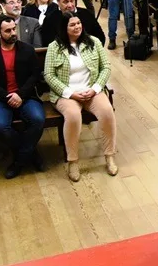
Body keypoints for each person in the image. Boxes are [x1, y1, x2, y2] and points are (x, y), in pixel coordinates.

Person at [44, 11, 118, 181]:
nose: (77, 27)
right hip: (67, 94)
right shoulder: (54, 47)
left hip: (91, 90)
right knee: (73, 116)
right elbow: (49, 75)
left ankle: (109, 156)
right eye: (72, 25)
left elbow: (106, 67)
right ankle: (73, 161)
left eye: (78, 23)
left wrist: (95, 88)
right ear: (64, 28)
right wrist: (71, 93)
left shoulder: (93, 42)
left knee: (107, 111)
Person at [0, 16, 46, 179]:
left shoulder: (27, 50)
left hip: (25, 96)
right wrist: (7, 97)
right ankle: (30, 153)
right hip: (0, 99)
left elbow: (34, 75)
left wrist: (20, 94)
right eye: (8, 31)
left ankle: (19, 161)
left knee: (38, 119)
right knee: (0, 125)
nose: (13, 33)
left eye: (14, 29)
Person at [41, 0, 106, 46]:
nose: (70, 5)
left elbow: (101, 37)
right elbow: (47, 43)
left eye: (72, 1)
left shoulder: (87, 14)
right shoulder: (50, 19)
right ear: (58, 2)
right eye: (66, 2)